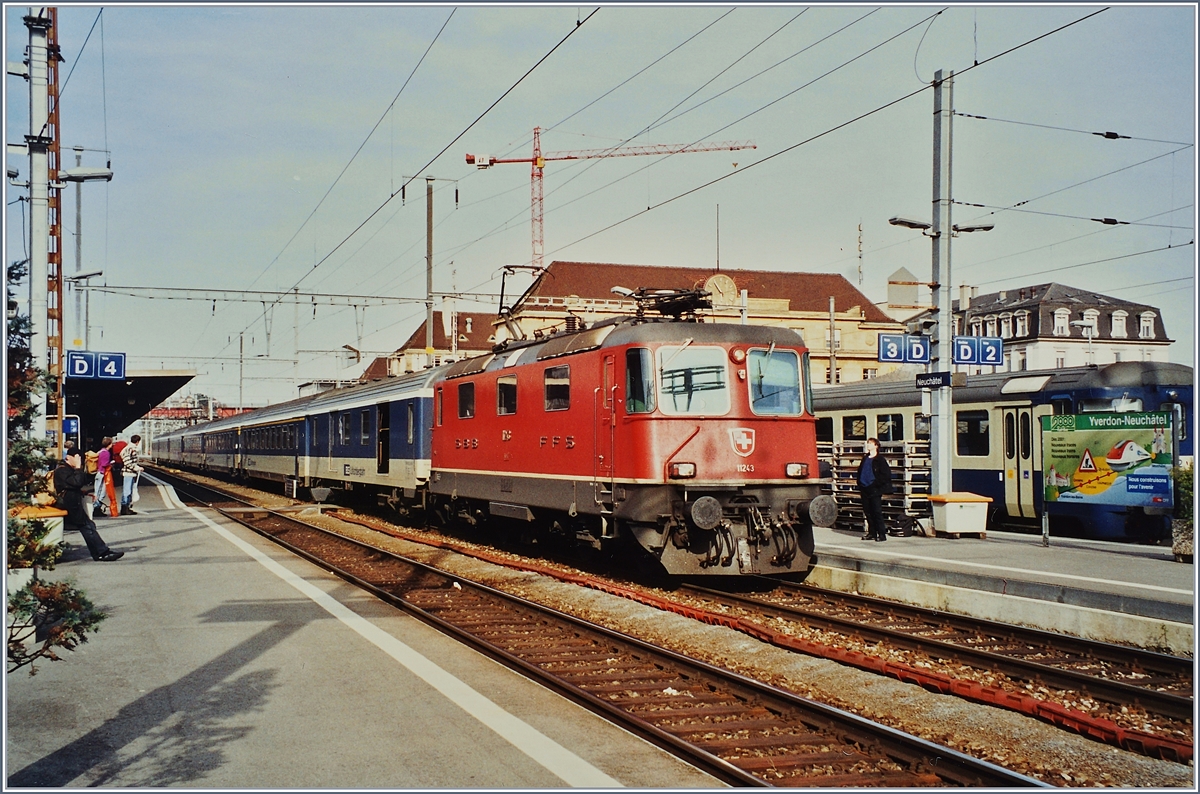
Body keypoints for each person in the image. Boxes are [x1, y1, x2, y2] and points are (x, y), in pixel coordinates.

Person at [53, 452, 124, 561]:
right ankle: (101, 553)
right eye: (77, 458)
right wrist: (77, 468)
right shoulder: (61, 470)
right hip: (68, 505)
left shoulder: (67, 469)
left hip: (72, 504)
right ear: (69, 457)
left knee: (88, 526)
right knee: (87, 527)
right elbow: (77, 482)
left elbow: (77, 483)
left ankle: (100, 552)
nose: (79, 461)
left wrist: (84, 493)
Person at [857, 437, 894, 542]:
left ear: (876, 446)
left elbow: (885, 475)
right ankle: (872, 533)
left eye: (870, 443)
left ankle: (882, 534)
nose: (868, 445)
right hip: (864, 488)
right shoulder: (865, 458)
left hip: (874, 489)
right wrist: (859, 483)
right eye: (867, 443)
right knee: (868, 512)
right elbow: (860, 471)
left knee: (877, 512)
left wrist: (875, 485)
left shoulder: (880, 460)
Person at [119, 434, 145, 516]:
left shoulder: (130, 448)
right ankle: (125, 508)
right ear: (137, 441)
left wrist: (137, 467)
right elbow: (127, 461)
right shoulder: (129, 449)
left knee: (129, 491)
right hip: (128, 473)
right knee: (127, 491)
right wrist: (136, 468)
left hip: (130, 473)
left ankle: (127, 507)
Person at [95, 437, 119, 517]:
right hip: (102, 474)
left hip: (100, 473)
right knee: (100, 492)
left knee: (99, 492)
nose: (112, 445)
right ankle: (96, 508)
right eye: (111, 443)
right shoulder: (106, 453)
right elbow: (104, 464)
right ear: (109, 444)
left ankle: (97, 508)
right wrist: (111, 463)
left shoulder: (101, 451)